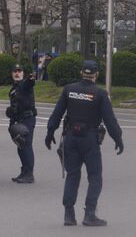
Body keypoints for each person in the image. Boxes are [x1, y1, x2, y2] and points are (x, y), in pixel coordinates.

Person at [45, 60, 124, 226]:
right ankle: (89, 214)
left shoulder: (69, 89)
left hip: (70, 138)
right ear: (96, 74)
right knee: (95, 177)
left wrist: (50, 132)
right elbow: (110, 120)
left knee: (73, 175)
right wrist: (118, 138)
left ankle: (69, 215)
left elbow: (57, 113)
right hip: (89, 139)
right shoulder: (100, 94)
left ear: (81, 72)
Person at [7, 64, 37, 183]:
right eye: (15, 71)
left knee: (26, 146)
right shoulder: (13, 89)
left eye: (19, 71)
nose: (17, 73)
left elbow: (29, 84)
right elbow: (14, 107)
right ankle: (24, 171)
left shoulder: (25, 85)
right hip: (19, 120)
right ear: (12, 73)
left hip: (28, 119)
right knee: (20, 147)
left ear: (23, 73)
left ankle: (29, 174)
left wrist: (31, 79)